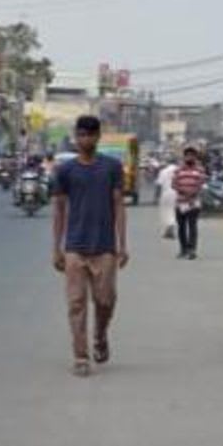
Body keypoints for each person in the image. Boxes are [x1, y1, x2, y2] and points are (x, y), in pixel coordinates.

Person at [52, 115, 128, 377]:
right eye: (80, 135)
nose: (84, 140)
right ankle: (81, 355)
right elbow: (59, 209)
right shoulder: (65, 171)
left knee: (105, 300)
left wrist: (123, 244)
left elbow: (119, 205)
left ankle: (100, 334)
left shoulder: (111, 168)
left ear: (97, 137)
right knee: (76, 303)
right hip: (75, 247)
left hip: (104, 246)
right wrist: (57, 247)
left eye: (89, 135)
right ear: (76, 137)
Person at [172, 146, 208, 260]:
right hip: (181, 202)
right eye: (187, 155)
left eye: (192, 155)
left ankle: (192, 250)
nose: (190, 157)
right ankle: (183, 249)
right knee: (181, 227)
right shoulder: (178, 169)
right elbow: (174, 184)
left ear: (195, 157)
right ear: (184, 157)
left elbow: (201, 183)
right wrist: (183, 192)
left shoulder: (200, 169)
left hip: (194, 202)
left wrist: (192, 193)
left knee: (192, 226)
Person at [155, 158, 179, 240]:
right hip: (178, 193)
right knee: (174, 211)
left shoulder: (163, 171)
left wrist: (157, 195)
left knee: (166, 211)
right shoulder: (180, 171)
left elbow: (159, 184)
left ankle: (169, 229)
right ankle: (169, 231)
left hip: (166, 193)